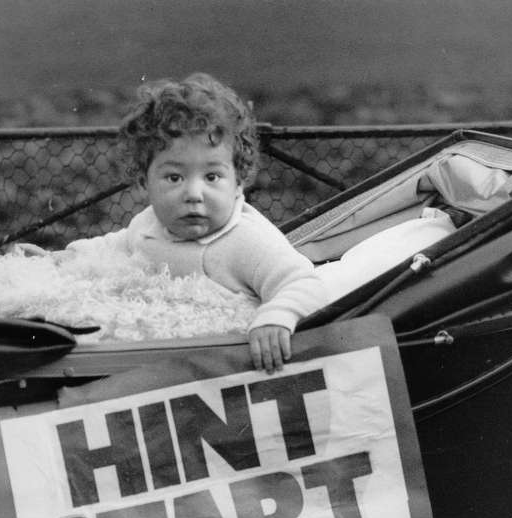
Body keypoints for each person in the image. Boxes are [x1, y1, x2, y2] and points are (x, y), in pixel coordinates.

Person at [62, 73, 326, 373]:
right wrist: (71, 255)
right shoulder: (150, 223)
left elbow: (304, 282)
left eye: (212, 177)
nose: (193, 194)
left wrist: (277, 316)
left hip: (225, 373)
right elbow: (119, 243)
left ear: (239, 182)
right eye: (174, 177)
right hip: (158, 361)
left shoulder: (245, 241)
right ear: (144, 183)